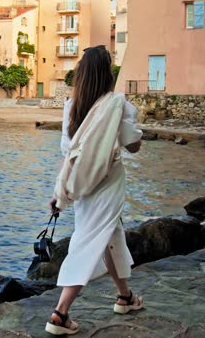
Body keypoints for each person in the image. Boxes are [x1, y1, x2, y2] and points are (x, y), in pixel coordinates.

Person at [45, 45, 144, 336]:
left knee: (110, 235)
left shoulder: (71, 106)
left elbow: (68, 154)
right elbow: (133, 145)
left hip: (82, 184)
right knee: (89, 241)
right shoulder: (117, 104)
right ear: (107, 74)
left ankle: (124, 297)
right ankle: (60, 314)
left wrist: (59, 192)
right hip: (108, 180)